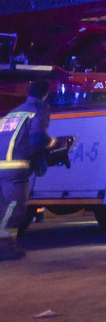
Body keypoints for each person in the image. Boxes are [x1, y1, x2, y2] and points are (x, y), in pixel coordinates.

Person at [0, 79, 51, 260]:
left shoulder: (13, 113)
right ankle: (5, 248)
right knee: (14, 209)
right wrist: (52, 144)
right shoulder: (39, 109)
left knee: (2, 208)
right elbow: (37, 137)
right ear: (45, 94)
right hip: (16, 171)